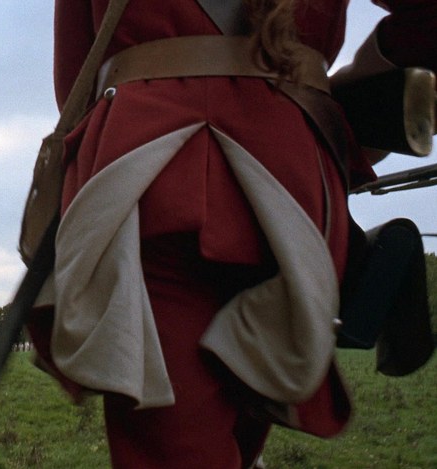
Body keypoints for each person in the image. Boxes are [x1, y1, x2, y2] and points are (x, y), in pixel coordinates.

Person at [25, 1, 436, 468]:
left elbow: (76, 83)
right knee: (235, 426)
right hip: (293, 188)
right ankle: (361, 265)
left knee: (177, 441)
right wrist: (344, 91)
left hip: (149, 181)